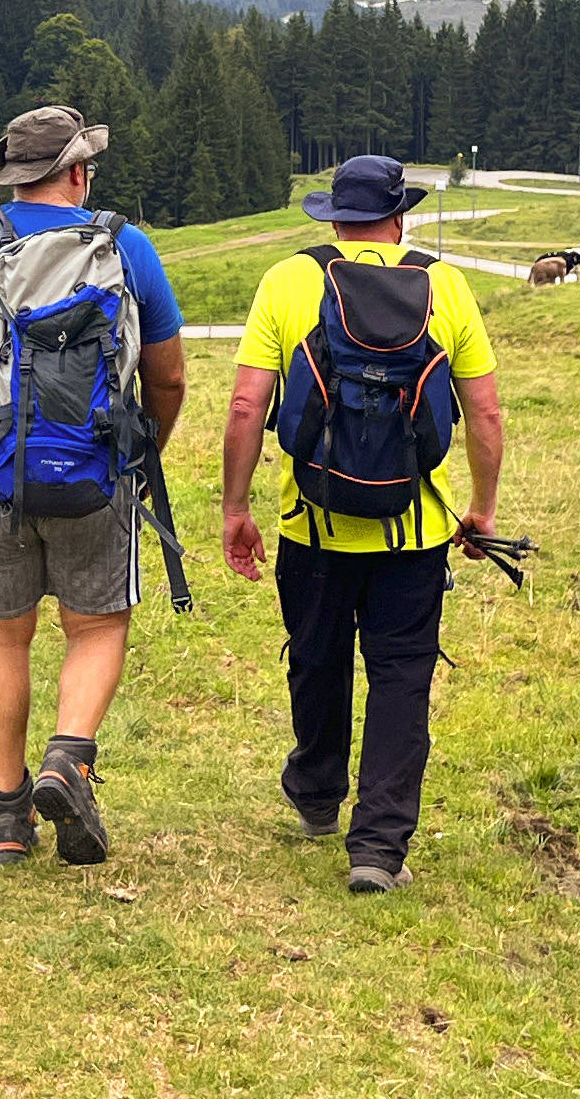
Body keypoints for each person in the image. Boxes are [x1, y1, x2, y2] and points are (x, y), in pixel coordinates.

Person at [0, 105, 189, 868]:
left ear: (16, 171)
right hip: (98, 473)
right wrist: (139, 449)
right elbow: (171, 377)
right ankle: (69, 759)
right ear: (78, 172)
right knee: (94, 628)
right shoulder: (129, 248)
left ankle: (8, 817)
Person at [217, 153, 507, 896]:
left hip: (310, 522)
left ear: (333, 218)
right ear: (398, 216)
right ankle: (377, 846)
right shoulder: (445, 286)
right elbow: (485, 412)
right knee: (401, 678)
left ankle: (317, 791)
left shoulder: (289, 279)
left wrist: (236, 505)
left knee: (316, 657)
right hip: (413, 531)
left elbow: (249, 405)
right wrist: (481, 508)